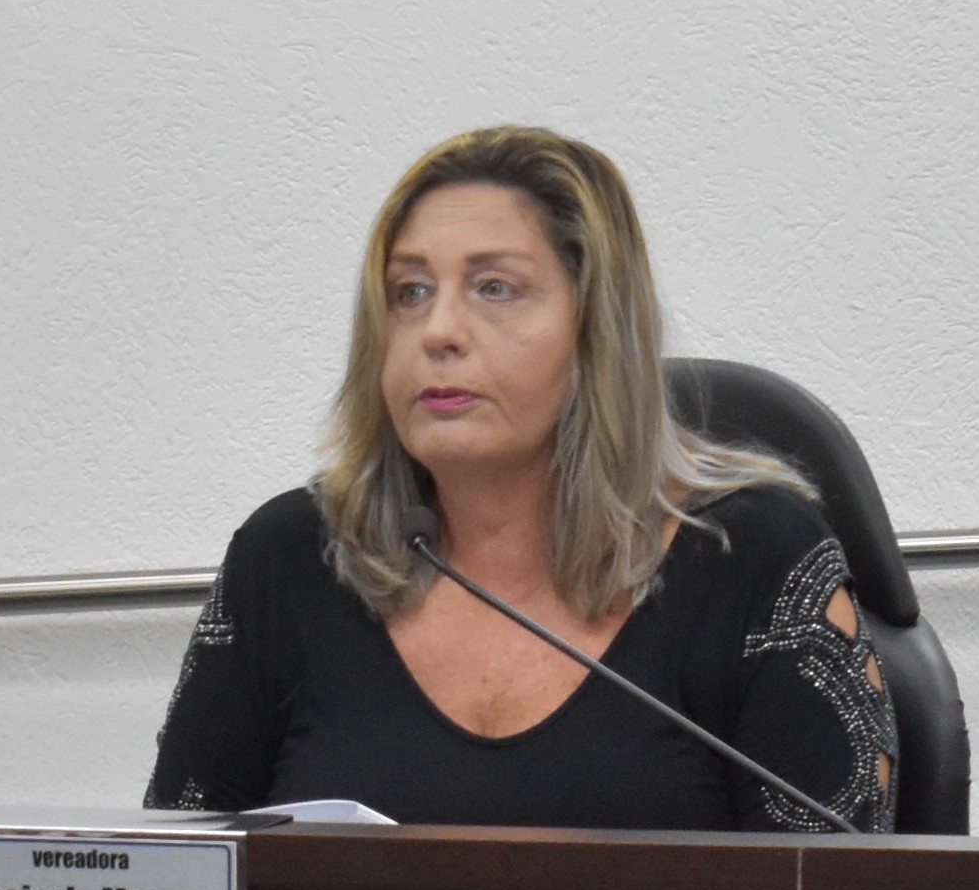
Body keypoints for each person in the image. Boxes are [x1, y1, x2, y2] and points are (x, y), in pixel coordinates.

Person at [150, 127, 900, 834]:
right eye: (410, 291)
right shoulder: (288, 563)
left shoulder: (756, 564)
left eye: (495, 289)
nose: (438, 331)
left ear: (596, 331)